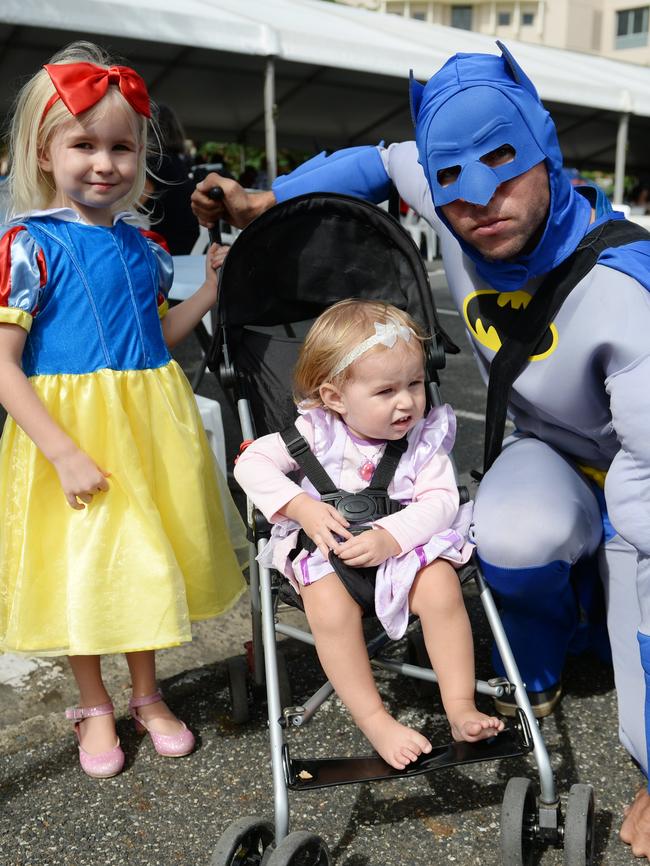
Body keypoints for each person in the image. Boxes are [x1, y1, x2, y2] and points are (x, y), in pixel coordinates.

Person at [193, 42, 650, 856]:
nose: (480, 200)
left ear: (543, 147)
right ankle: (535, 675)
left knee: (613, 560)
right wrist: (267, 200)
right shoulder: (436, 188)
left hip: (637, 468)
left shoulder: (629, 290)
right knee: (510, 533)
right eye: (454, 184)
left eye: (506, 169)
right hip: (538, 459)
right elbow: (379, 160)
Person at [0, 41, 247, 779]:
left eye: (121, 147)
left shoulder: (145, 250)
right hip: (69, 434)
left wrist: (205, 292)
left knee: (139, 563)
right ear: (45, 152)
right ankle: (93, 703)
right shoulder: (25, 247)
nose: (104, 163)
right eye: (84, 144)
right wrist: (62, 450)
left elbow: (157, 338)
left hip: (147, 427)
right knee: (86, 570)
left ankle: (146, 694)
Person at [234, 299, 504, 770]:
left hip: (405, 550)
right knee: (327, 607)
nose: (407, 401)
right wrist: (302, 506)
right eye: (386, 391)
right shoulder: (314, 433)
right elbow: (250, 464)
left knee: (441, 587)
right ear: (336, 397)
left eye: (416, 384)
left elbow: (441, 502)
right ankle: (375, 718)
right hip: (328, 553)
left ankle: (460, 705)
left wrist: (390, 536)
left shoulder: (423, 439)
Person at [144, 103, 199, 254]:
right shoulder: (178, 161)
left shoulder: (154, 162)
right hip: (189, 237)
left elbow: (134, 206)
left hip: (166, 244)